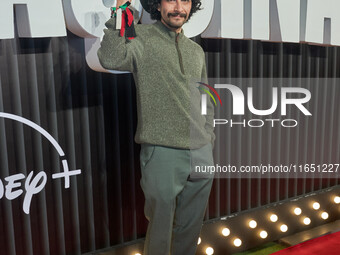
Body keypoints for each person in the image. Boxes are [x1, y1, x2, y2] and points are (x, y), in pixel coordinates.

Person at [97, 0, 215, 254]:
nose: (178, 7)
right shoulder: (140, 37)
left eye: (185, 1)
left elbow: (205, 98)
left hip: (201, 151)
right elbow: (110, 57)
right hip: (162, 151)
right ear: (157, 4)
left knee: (191, 227)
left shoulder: (196, 50)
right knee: (160, 227)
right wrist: (119, 13)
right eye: (171, 0)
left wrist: (209, 138)